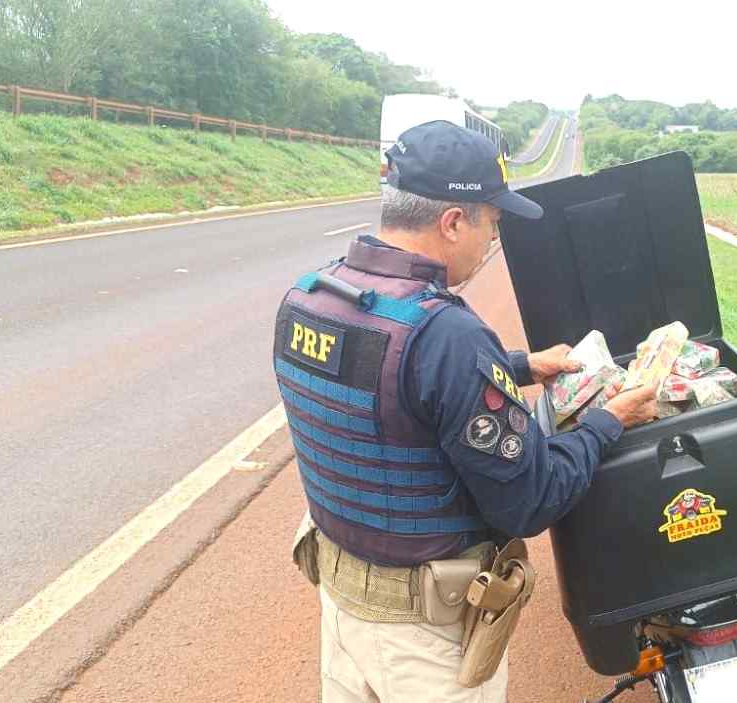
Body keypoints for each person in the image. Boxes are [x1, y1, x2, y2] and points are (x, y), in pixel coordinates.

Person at [273, 120, 657, 703]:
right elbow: (532, 500)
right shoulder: (447, 335)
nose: (492, 241)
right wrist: (610, 422)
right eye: (492, 224)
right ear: (453, 222)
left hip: (343, 605)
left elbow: (393, 393)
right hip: (423, 644)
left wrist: (520, 366)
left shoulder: (312, 296)